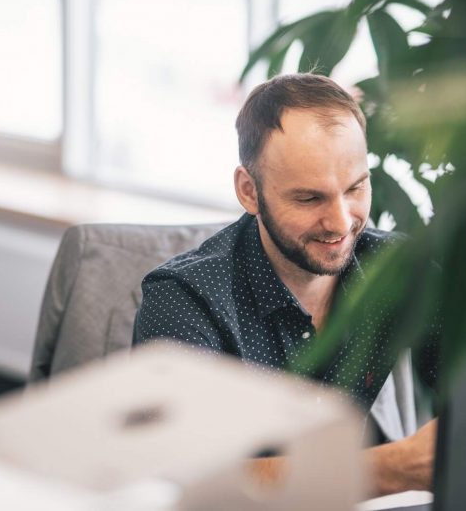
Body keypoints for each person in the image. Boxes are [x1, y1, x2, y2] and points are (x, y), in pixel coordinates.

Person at [133, 73, 439, 495]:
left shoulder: (396, 269)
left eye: (356, 187)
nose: (340, 222)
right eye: (309, 198)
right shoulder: (185, 300)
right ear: (248, 191)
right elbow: (186, 479)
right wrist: (388, 469)